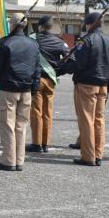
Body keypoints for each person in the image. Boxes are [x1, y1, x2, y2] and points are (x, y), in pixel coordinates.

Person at [0, 13, 42, 171]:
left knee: (8, 126)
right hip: (27, 90)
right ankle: (19, 160)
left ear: (13, 24)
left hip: (9, 89)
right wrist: (35, 88)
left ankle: (9, 161)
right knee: (21, 126)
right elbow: (38, 69)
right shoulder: (33, 44)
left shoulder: (6, 43)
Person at [64, 11, 109, 167]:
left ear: (89, 24)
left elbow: (79, 64)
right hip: (104, 85)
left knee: (87, 120)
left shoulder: (85, 40)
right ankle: (98, 153)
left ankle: (88, 156)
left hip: (87, 84)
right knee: (99, 120)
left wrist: (65, 67)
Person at [26, 16, 69, 153]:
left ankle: (36, 143)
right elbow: (71, 61)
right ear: (51, 27)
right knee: (47, 113)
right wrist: (57, 72)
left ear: (40, 27)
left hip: (36, 80)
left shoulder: (32, 39)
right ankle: (46, 143)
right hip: (51, 80)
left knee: (36, 112)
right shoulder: (59, 42)